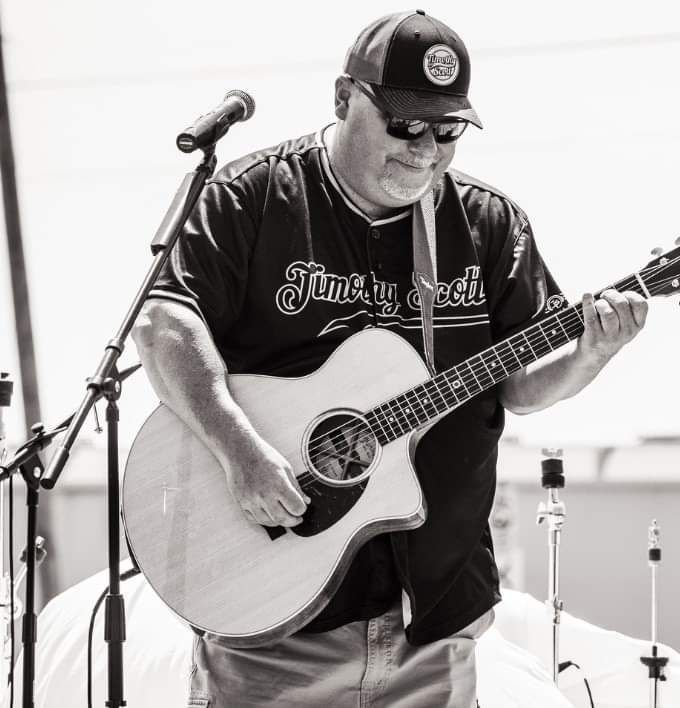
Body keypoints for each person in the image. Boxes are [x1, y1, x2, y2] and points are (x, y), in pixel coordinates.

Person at [132, 9, 647, 707]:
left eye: (447, 130)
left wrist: (593, 354)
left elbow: (520, 388)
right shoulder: (253, 196)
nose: (424, 149)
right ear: (345, 99)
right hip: (273, 611)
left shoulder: (491, 224)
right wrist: (240, 450)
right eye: (404, 125)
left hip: (433, 613)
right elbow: (164, 322)